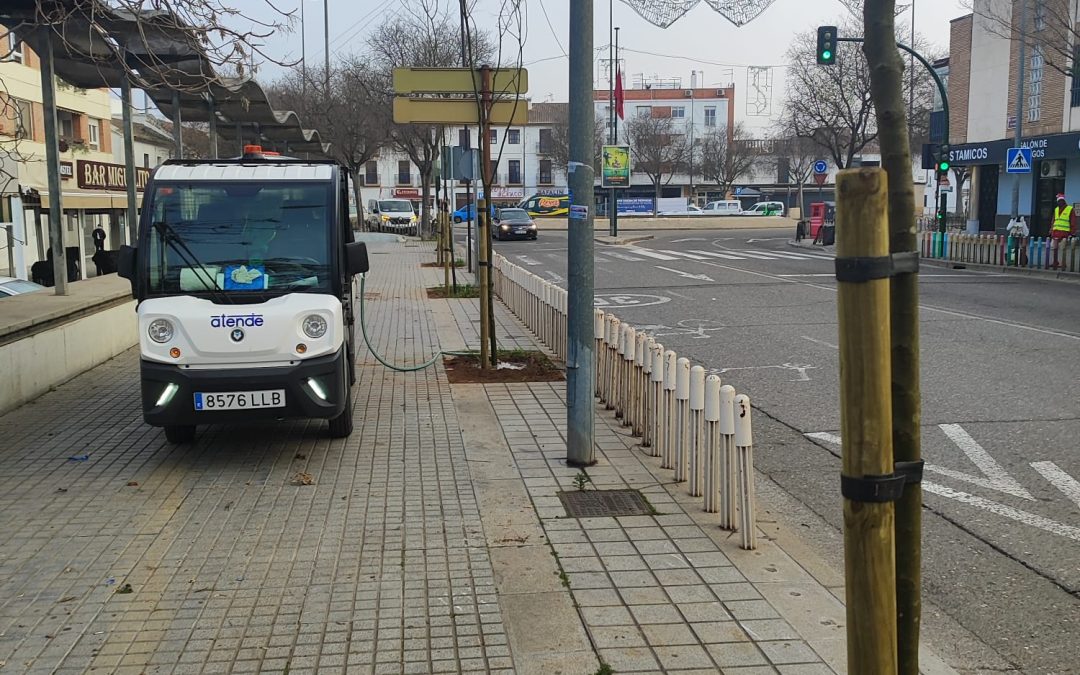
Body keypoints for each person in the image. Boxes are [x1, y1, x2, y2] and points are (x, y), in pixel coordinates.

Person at [1050, 193, 1074, 269]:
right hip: (1055, 233)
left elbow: (1073, 221)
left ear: (1064, 201)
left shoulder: (1070, 209)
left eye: (1061, 201)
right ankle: (1055, 262)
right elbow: (1053, 220)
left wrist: (1072, 233)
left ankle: (1063, 263)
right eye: (1058, 201)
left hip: (1064, 233)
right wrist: (1051, 230)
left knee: (1063, 249)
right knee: (1053, 248)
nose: (1059, 202)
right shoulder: (1056, 209)